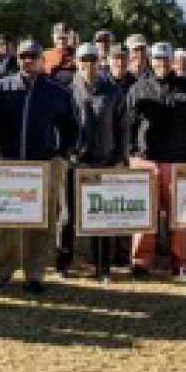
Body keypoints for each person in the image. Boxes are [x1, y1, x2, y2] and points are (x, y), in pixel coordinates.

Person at [0, 40, 79, 293]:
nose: (28, 60)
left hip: (44, 164)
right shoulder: (3, 87)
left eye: (33, 56)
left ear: (42, 59)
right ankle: (3, 270)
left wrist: (62, 153)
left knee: (41, 222)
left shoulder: (57, 91)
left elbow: (71, 126)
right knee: (6, 220)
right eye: (23, 56)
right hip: (10, 164)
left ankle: (35, 274)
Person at [125, 42, 186, 281]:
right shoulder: (139, 88)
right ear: (151, 60)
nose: (161, 63)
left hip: (177, 160)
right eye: (157, 59)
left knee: (179, 217)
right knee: (144, 215)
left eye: (166, 59)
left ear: (173, 61)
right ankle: (140, 262)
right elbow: (128, 123)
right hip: (145, 160)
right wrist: (131, 153)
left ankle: (181, 263)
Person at [67, 42, 130, 282]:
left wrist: (119, 157)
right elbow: (62, 125)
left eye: (92, 59)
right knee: (70, 217)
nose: (88, 64)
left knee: (101, 218)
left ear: (98, 62)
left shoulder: (113, 91)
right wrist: (68, 152)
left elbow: (122, 127)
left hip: (105, 162)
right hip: (77, 163)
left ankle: (103, 267)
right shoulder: (68, 89)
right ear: (77, 62)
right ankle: (65, 262)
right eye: (84, 60)